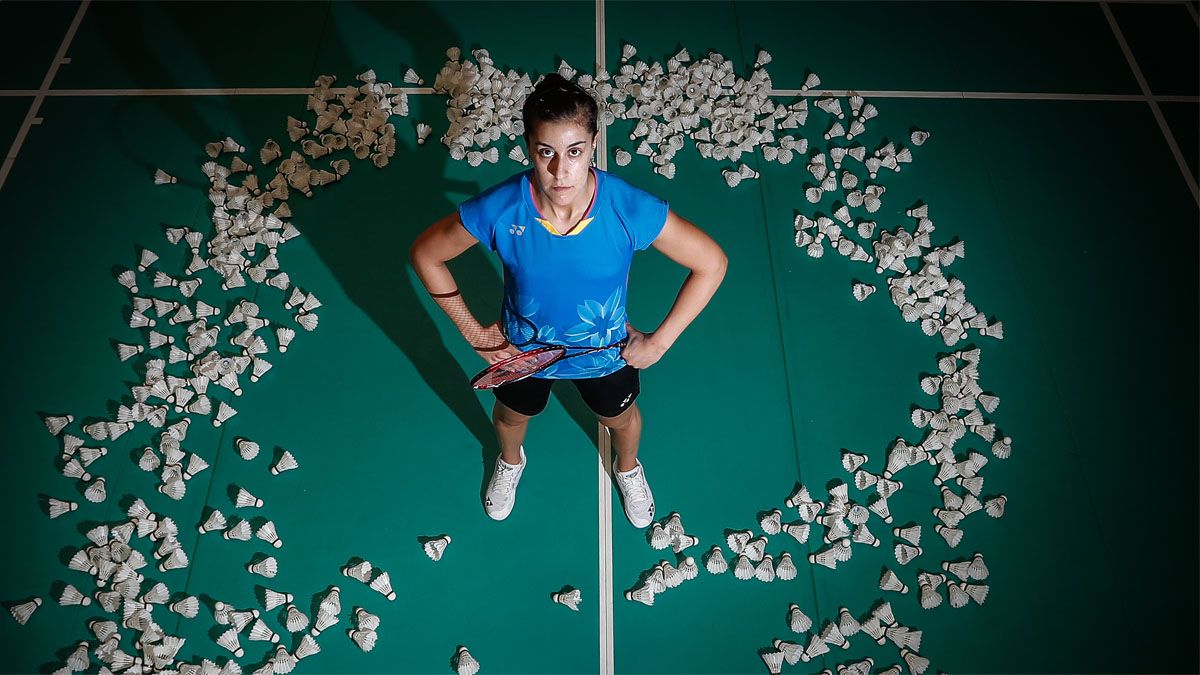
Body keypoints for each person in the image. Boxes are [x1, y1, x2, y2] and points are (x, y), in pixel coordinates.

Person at [410, 73, 727, 528]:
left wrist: (659, 343)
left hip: (603, 355)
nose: (561, 171)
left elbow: (711, 263)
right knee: (509, 419)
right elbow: (426, 254)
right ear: (528, 147)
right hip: (522, 353)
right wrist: (473, 332)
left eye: (575, 151)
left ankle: (628, 468)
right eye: (547, 153)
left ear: (594, 143)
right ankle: (511, 462)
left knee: (621, 421)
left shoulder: (627, 208)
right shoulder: (503, 209)